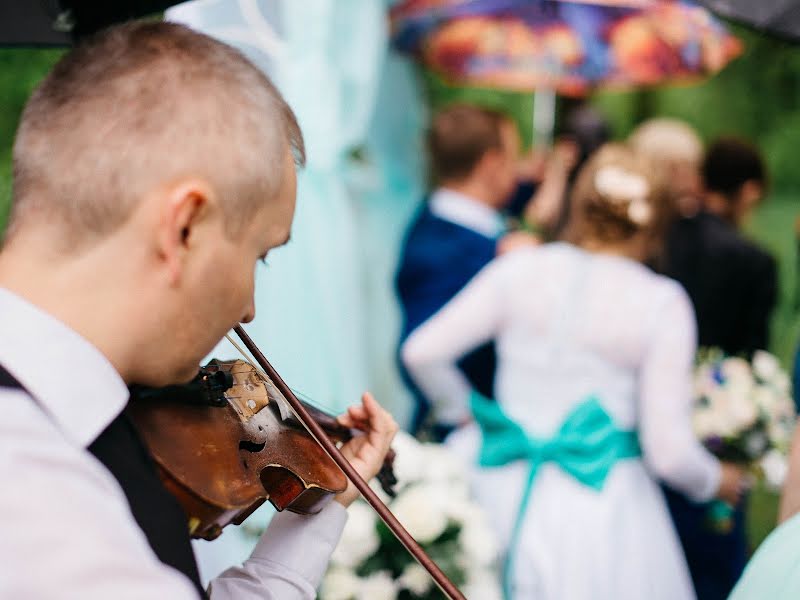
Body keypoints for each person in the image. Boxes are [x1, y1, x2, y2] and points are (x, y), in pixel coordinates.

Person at [0, 21, 398, 599]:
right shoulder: (36, 491)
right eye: (260, 255)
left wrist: (314, 513)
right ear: (184, 225)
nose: (249, 310)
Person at [401, 144, 746, 599]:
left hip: (493, 484)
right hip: (603, 511)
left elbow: (421, 353)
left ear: (578, 205)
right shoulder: (661, 302)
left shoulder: (520, 269)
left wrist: (465, 414)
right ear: (658, 224)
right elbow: (669, 452)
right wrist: (717, 480)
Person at [656, 136, 776, 600]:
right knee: (716, 556)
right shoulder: (755, 261)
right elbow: (753, 355)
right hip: (721, 426)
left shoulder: (662, 239)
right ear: (748, 191)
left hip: (654, 420)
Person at [395, 104, 546, 438]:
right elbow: (417, 354)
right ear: (491, 164)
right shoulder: (437, 252)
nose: (517, 170)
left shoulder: (449, 220)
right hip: (464, 439)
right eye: (513, 158)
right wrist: (473, 421)